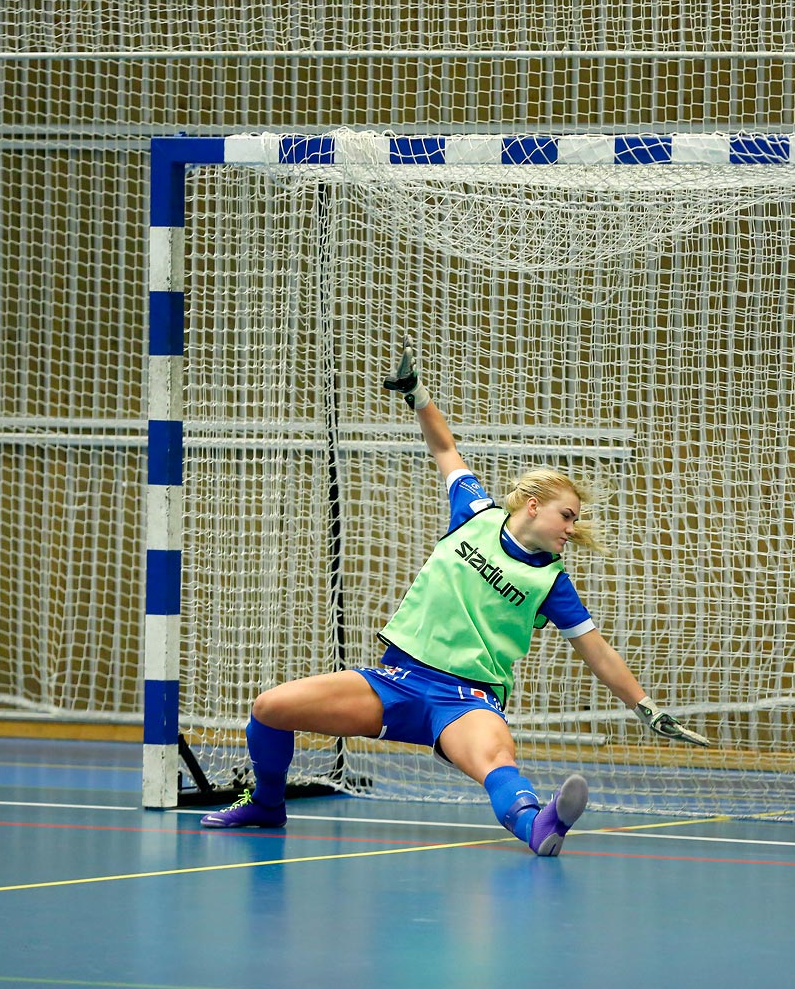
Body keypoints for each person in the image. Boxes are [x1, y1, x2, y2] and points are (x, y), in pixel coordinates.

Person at [200, 345, 710, 856]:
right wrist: (417, 395)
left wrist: (643, 706)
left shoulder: (552, 583)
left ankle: (541, 826)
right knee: (270, 708)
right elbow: (445, 448)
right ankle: (267, 804)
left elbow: (597, 651)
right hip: (395, 682)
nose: (572, 529)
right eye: (567, 516)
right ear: (534, 506)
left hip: (465, 699)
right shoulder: (474, 513)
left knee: (496, 762)